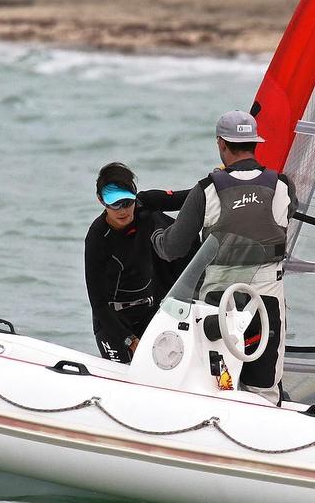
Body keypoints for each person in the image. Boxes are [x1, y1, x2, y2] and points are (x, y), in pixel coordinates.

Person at [152, 110, 296, 404]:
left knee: (216, 382)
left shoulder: (206, 190)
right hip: (266, 301)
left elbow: (173, 248)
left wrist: (154, 235)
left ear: (221, 144)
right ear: (255, 143)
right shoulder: (283, 187)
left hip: (218, 304)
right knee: (264, 387)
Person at [85, 163, 190, 363]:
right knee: (124, 371)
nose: (123, 210)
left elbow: (191, 197)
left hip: (149, 311)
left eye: (127, 202)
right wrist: (130, 340)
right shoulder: (97, 237)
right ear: (101, 200)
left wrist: (219, 179)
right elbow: (97, 304)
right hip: (113, 321)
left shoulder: (145, 203)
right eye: (114, 204)